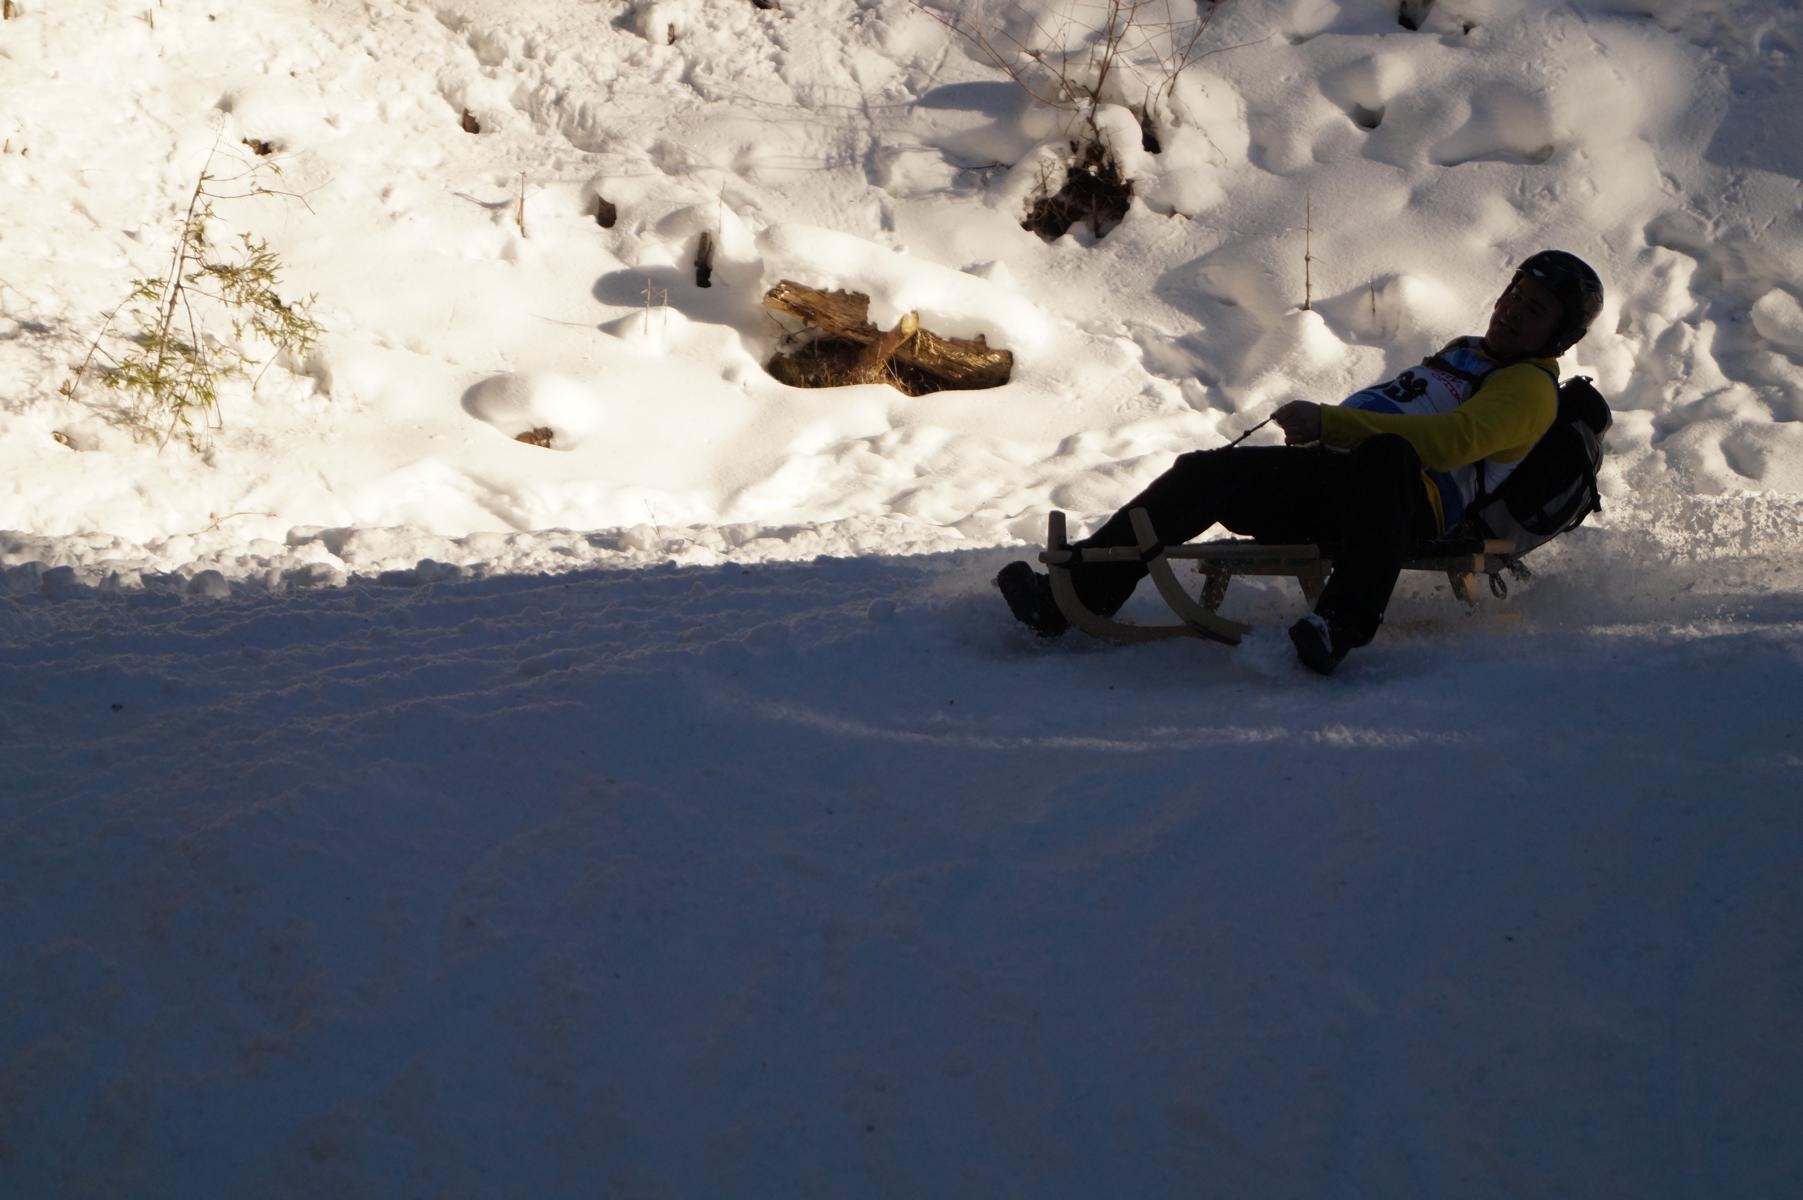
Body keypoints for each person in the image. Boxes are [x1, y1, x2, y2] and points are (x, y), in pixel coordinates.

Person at [996, 250, 1606, 674]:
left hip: (1404, 507)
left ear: (1559, 336)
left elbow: (1450, 443)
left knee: (1390, 454)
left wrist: (1333, 423)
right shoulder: (1466, 352)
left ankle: (1338, 625)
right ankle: (1074, 597)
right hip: (1335, 484)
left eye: (1535, 309)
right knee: (1205, 472)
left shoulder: (1530, 388)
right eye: (1514, 294)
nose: (1512, 310)